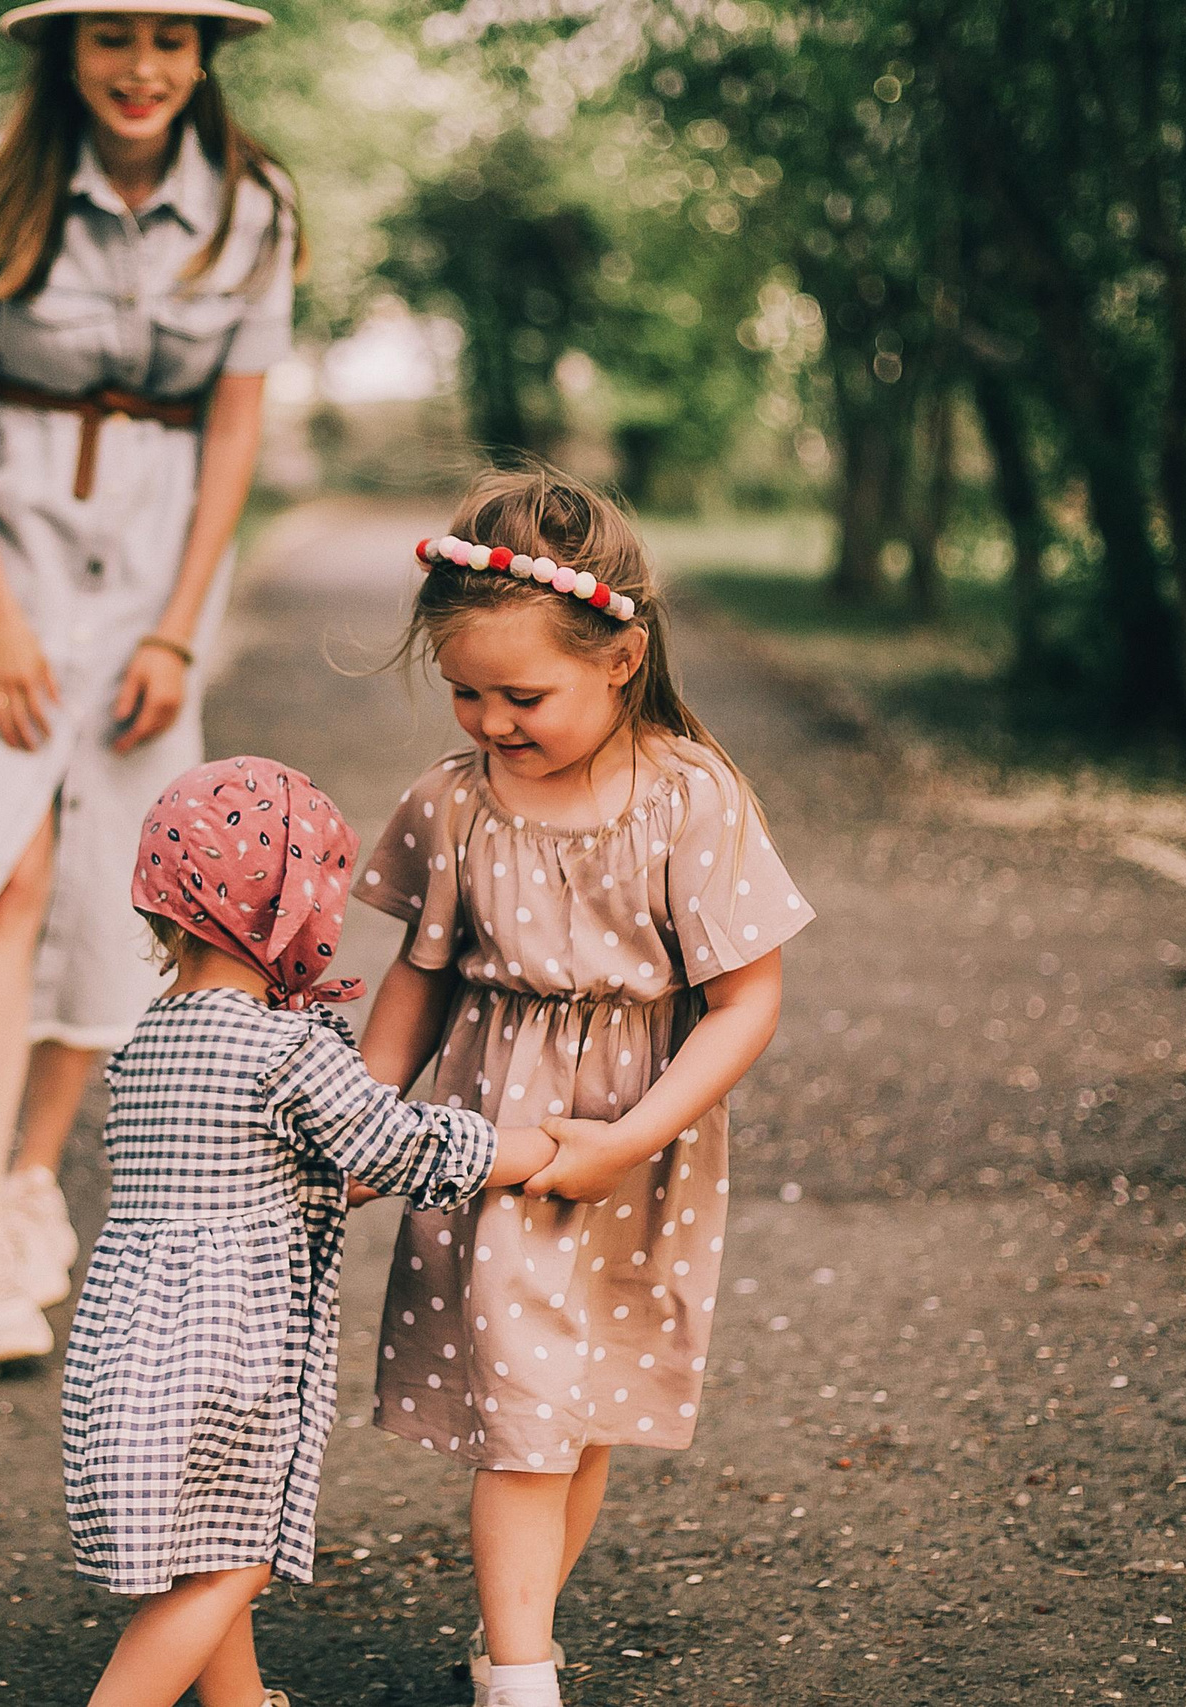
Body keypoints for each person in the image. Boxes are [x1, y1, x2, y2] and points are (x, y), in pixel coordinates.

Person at [0, 0, 306, 1364]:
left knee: (124, 879)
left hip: (149, 580)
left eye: (170, 40)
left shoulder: (252, 207)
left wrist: (179, 629)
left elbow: (233, 432)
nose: (142, 68)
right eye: (113, 36)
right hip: (1, 568)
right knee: (2, 864)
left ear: (204, 57)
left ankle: (34, 1175)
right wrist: (0, 614)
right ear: (65, 49)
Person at [352, 467, 813, 1707]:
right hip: (497, 1142)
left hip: (633, 1147)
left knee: (573, 1407)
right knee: (525, 1417)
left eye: (523, 696)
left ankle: (514, 1640)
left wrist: (627, 1140)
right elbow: (418, 977)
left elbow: (745, 1002)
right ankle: (520, 1673)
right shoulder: (453, 804)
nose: (491, 722)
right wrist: (361, 1129)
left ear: (620, 658)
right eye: (465, 692)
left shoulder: (688, 800)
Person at [63, 756, 560, 1707]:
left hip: (130, 1348)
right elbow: (396, 1146)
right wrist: (529, 1147)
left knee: (208, 1547)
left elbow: (244, 1168)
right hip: (227, 1351)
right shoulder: (282, 1047)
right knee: (232, 1565)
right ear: (291, 912)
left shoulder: (146, 1042)